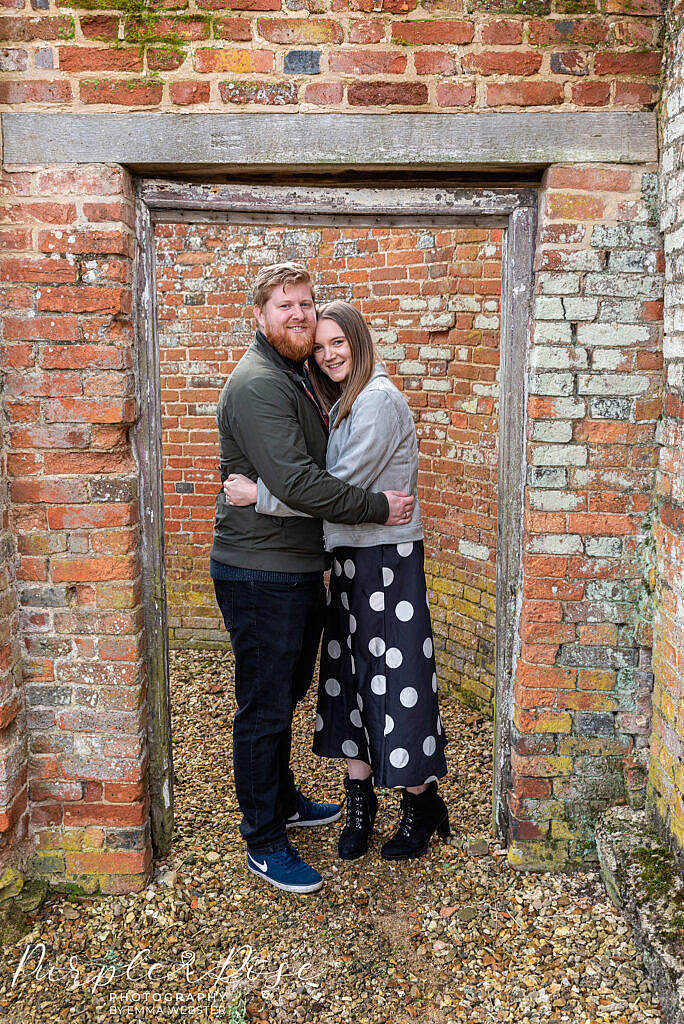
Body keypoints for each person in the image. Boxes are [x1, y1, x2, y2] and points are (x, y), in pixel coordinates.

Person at [211, 264, 415, 895]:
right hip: (259, 571)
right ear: (260, 316)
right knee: (265, 708)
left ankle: (285, 800)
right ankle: (264, 839)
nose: (298, 316)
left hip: (296, 569)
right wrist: (379, 508)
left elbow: (312, 470)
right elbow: (302, 483)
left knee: (285, 697)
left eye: (306, 304)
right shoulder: (257, 386)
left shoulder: (295, 377)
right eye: (284, 306)